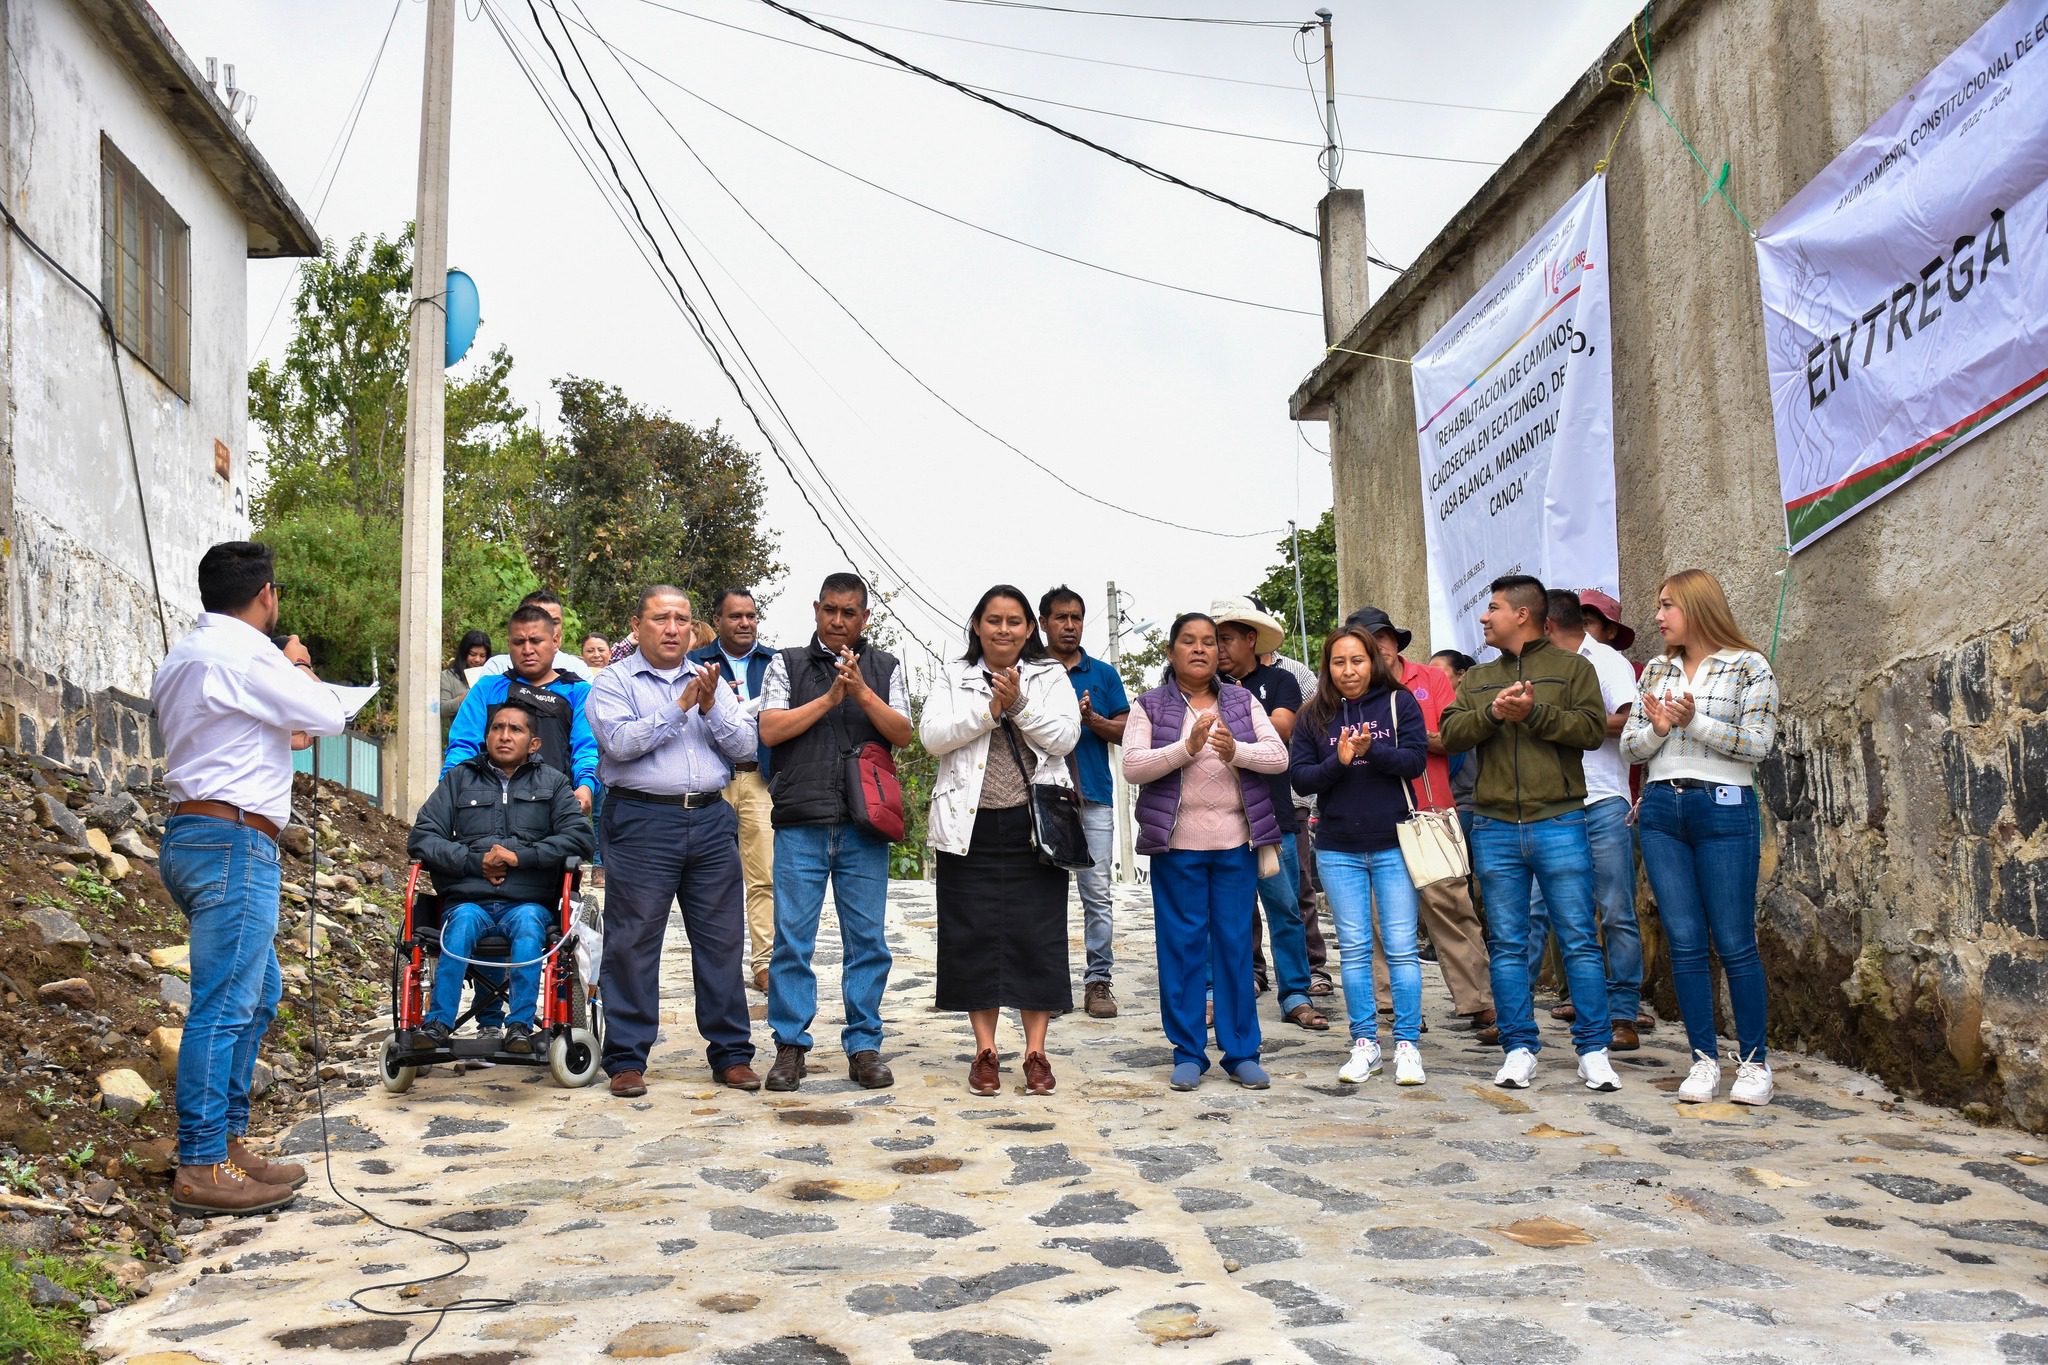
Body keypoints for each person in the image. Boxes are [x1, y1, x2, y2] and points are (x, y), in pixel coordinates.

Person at [151, 541, 346, 1216]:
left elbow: (235, 731)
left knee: (258, 989)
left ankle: (227, 1143)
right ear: (267, 593)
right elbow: (330, 716)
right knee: (225, 1001)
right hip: (234, 840)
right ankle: (202, 1160)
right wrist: (295, 668)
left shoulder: (186, 655)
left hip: (192, 835)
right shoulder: (251, 653)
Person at [1440, 576, 1619, 1092]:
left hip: (1560, 820)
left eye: (1492, 608)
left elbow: (1590, 731)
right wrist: (1494, 713)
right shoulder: (1477, 679)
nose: (1483, 617)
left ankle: (1594, 1049)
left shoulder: (1573, 668)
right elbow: (1450, 734)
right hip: (1494, 827)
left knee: (1580, 940)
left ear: (1521, 614)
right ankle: (1518, 1047)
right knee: (1508, 944)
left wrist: (1534, 713)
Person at [586, 585, 761, 1096]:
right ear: (637, 627)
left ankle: (731, 1054)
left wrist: (709, 707)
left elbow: (747, 746)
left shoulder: (712, 679)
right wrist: (681, 706)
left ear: (692, 628)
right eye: (661, 619)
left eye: (682, 619)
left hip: (710, 817)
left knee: (721, 940)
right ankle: (626, 1058)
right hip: (643, 820)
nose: (672, 628)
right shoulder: (613, 682)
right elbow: (620, 744)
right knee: (634, 941)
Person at [1621, 569, 1780, 1106]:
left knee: (1734, 939)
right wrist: (1659, 730)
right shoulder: (1657, 670)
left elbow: (1758, 745)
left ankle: (1755, 1063)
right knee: (1684, 940)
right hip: (1663, 806)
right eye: (1658, 605)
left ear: (1698, 607)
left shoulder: (1748, 666)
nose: (1659, 616)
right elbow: (1629, 748)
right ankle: (1703, 1059)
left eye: (1667, 605)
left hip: (1724, 805)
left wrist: (1694, 722)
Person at [923, 586, 1083, 1095]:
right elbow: (933, 737)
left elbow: (1064, 737)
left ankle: (1036, 1053)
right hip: (968, 827)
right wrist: (991, 709)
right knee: (973, 938)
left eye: (1014, 621)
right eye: (993, 620)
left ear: (1029, 629)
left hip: (1033, 827)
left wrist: (1018, 706)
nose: (1004, 630)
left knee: (1037, 938)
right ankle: (985, 1051)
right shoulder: (954, 675)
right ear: (976, 625)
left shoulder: (1050, 674)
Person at [1122, 612, 1290, 1092]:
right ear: (1172, 651)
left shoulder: (1240, 700)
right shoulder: (1149, 706)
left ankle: (1241, 1052)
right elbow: (1133, 766)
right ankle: (1188, 1052)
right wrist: (1185, 747)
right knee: (1182, 948)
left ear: (1221, 653)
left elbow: (1277, 757)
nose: (1200, 649)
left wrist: (1235, 749)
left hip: (1236, 843)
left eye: (1209, 642)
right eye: (1188, 642)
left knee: (1236, 946)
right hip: (1176, 847)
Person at [759, 573, 913, 1093]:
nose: (839, 621)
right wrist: (829, 697)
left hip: (863, 824)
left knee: (867, 941)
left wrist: (862, 692)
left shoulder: (887, 667)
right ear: (816, 610)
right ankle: (789, 1046)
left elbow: (904, 734)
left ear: (865, 617)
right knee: (791, 941)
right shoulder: (787, 663)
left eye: (849, 612)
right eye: (830, 610)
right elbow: (771, 729)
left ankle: (864, 1045)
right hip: (801, 819)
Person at [405, 699, 594, 1051]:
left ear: (533, 743)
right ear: (487, 734)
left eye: (515, 729)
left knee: (526, 928)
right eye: (497, 728)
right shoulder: (459, 779)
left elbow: (580, 838)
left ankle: (520, 1026)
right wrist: (475, 862)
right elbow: (421, 837)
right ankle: (436, 1025)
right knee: (459, 926)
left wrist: (520, 858)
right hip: (468, 899)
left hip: (527, 901)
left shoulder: (553, 783)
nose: (504, 736)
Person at [1347, 608, 1497, 1044]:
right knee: (1378, 918)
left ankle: (1479, 1001)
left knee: (1452, 907)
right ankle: (1392, 1006)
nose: (1380, 646)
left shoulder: (1430, 679)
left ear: (1396, 643)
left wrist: (1405, 740)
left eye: (1386, 637)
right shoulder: (1348, 690)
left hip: (1431, 807)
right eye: (1369, 640)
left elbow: (1456, 737)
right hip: (1372, 814)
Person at [1288, 624, 1429, 1085]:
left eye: (1358, 660)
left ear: (1375, 662)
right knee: (1353, 951)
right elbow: (1302, 779)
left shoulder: (1398, 703)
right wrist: (1340, 761)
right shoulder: (1314, 717)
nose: (1349, 670)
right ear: (1327, 668)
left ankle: (1407, 1045)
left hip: (1394, 843)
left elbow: (1415, 762)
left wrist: (1377, 751)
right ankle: (1364, 1043)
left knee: (1403, 949)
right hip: (1338, 848)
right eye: (1338, 662)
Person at [1524, 591, 1648, 1050]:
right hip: (1551, 802)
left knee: (1615, 910)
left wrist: (1563, 720)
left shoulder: (1607, 662)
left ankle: (1623, 1013)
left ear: (1547, 625)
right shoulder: (1534, 664)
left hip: (1600, 800)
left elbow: (1629, 718)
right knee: (1537, 911)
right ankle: (1517, 1014)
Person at [1211, 597, 1322, 1033]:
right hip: (1218, 820)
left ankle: (1296, 993)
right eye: (1213, 639)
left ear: (1250, 640)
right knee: (1227, 915)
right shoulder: (1203, 686)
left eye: (1227, 639)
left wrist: (1226, 724)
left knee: (1285, 910)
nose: (1218, 648)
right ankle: (1229, 992)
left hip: (1272, 816)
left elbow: (1281, 727)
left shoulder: (1278, 681)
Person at [1038, 585, 1130, 1019]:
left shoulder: (1104, 674)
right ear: (1044, 623)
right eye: (1061, 617)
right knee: (1047, 895)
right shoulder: (1031, 670)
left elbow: (1127, 731)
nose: (1070, 625)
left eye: (1076, 617)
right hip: (1042, 798)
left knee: (1097, 895)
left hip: (1093, 797)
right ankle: (1050, 986)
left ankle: (1099, 981)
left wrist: (1092, 719)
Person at [689, 587, 779, 992]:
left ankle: (765, 964)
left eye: (751, 616)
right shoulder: (695, 663)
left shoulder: (776, 663)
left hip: (759, 778)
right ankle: (720, 966)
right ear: (718, 620)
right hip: (713, 780)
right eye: (736, 616)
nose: (745, 623)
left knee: (763, 875)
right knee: (715, 879)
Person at [445, 604, 596, 812]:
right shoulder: (487, 688)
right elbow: (462, 746)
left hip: (554, 807)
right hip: (487, 808)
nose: (527, 650)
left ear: (555, 641)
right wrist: (448, 789)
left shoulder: (578, 692)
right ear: (509, 644)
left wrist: (586, 786)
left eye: (535, 641)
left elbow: (586, 747)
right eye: (519, 642)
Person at [480, 589, 584, 677]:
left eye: (554, 622)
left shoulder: (577, 669)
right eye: (536, 620)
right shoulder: (498, 668)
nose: (549, 629)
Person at [443, 630, 491, 741]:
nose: (477, 660)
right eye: (473, 654)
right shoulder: (448, 676)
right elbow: (442, 709)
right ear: (464, 653)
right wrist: (462, 699)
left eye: (482, 656)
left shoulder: (492, 677)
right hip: (461, 739)